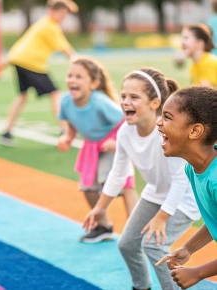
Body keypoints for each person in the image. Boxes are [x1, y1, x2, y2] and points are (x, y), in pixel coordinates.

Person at [83, 68, 200, 290]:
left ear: (155, 103)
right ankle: (141, 287)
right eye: (124, 96)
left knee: (155, 246)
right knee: (127, 244)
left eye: (134, 97)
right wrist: (100, 208)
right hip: (156, 193)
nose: (126, 102)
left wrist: (161, 218)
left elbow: (180, 181)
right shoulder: (126, 132)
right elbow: (118, 173)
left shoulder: (167, 132)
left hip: (185, 198)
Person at [58, 57, 138, 243]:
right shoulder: (65, 101)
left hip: (112, 146)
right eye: (70, 75)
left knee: (121, 186)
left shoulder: (100, 101)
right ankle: (103, 227)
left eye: (79, 77)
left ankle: (136, 231)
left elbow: (124, 119)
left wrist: (114, 140)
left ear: (94, 83)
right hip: (90, 147)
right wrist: (67, 138)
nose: (72, 80)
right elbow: (71, 122)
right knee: (89, 189)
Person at [0, 0, 78, 146]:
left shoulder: (43, 23)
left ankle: (7, 131)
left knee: (22, 96)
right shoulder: (49, 26)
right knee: (55, 94)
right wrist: (81, 64)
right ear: (52, 11)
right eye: (62, 13)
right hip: (32, 64)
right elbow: (66, 50)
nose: (64, 17)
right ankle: (64, 129)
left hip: (21, 62)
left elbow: (19, 49)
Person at [155, 86, 217, 289]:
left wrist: (199, 273)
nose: (158, 122)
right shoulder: (193, 169)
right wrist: (189, 248)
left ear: (195, 131)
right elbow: (214, 218)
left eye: (167, 117)